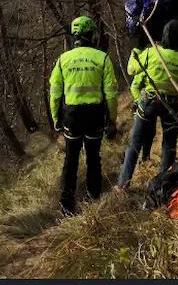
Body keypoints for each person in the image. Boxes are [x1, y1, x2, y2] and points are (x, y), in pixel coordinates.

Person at [116, 20, 178, 189]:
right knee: (169, 145)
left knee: (135, 144)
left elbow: (131, 69)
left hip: (148, 102)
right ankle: (163, 183)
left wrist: (136, 48)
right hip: (170, 105)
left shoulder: (152, 53)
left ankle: (123, 184)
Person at [49, 15, 118, 216]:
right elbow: (111, 93)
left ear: (74, 36)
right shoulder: (102, 58)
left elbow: (55, 93)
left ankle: (66, 204)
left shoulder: (63, 60)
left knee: (71, 159)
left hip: (71, 116)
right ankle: (93, 198)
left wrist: (56, 118)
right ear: (91, 35)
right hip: (95, 115)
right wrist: (111, 119)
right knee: (93, 158)